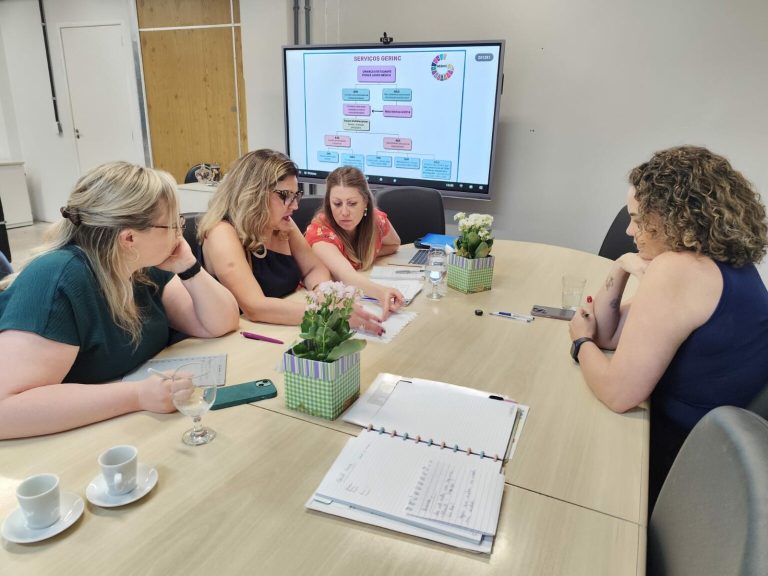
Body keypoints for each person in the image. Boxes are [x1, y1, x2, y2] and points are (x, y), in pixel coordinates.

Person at [568, 145, 768, 509]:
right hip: (718, 461)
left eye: (638, 219)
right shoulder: (724, 261)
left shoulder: (679, 270)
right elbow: (609, 333)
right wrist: (621, 266)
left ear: (673, 218)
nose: (629, 230)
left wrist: (580, 344)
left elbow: (617, 392)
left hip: (673, 466)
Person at [0, 162, 240, 440]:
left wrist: (187, 265)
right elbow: (5, 410)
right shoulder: (58, 278)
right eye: (174, 224)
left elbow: (220, 323)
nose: (178, 233)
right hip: (60, 450)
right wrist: (137, 395)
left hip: (125, 430)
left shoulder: (141, 266)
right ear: (128, 238)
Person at [197, 149, 384, 332]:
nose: (294, 205)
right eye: (285, 196)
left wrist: (326, 295)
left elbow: (314, 268)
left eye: (296, 195)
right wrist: (327, 313)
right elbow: (254, 307)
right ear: (254, 194)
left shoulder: (281, 222)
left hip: (280, 327)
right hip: (242, 338)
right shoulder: (221, 232)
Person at [305, 166, 405, 315]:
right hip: (314, 307)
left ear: (365, 202)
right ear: (328, 204)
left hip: (350, 295)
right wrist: (382, 292)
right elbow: (347, 276)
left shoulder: (375, 220)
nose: (344, 212)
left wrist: (361, 257)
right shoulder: (320, 233)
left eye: (352, 203)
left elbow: (394, 244)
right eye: (337, 204)